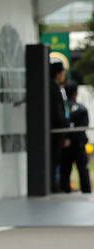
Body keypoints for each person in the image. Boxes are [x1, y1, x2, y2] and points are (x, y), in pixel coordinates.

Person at [60, 80, 91, 193]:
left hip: (66, 145)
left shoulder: (63, 108)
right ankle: (86, 192)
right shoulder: (81, 109)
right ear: (76, 93)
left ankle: (65, 191)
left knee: (65, 171)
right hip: (79, 144)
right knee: (83, 170)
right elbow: (84, 126)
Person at [49, 59, 70, 192]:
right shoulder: (53, 88)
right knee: (53, 162)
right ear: (58, 73)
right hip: (55, 132)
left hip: (57, 131)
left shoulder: (55, 88)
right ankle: (52, 187)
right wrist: (65, 125)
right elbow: (57, 112)